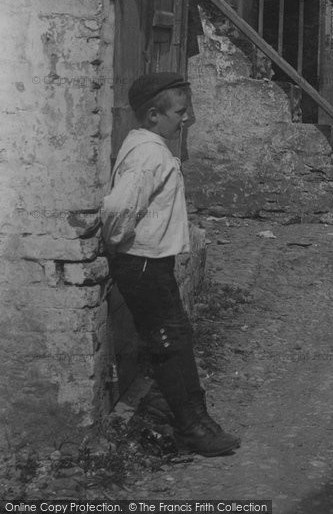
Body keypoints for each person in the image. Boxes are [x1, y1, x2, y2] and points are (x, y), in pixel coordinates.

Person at [101, 72, 240, 457]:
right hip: (141, 263)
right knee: (168, 340)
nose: (186, 119)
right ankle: (190, 426)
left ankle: (188, 411)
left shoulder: (151, 147)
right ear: (152, 116)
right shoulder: (149, 155)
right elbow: (117, 211)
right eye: (179, 112)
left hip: (151, 263)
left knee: (176, 337)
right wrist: (118, 243)